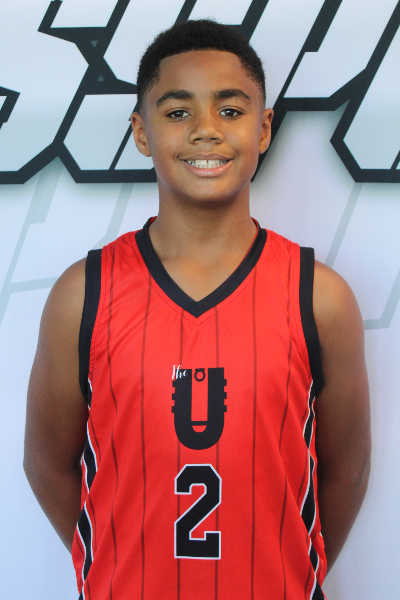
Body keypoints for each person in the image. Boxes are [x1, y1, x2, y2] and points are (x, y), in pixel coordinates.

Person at [24, 19, 371, 600]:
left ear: (264, 129)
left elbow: (346, 471)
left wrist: (286, 573)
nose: (206, 130)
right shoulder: (84, 294)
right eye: (178, 111)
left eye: (230, 111)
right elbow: (48, 466)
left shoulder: (320, 297)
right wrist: (114, 569)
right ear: (141, 132)